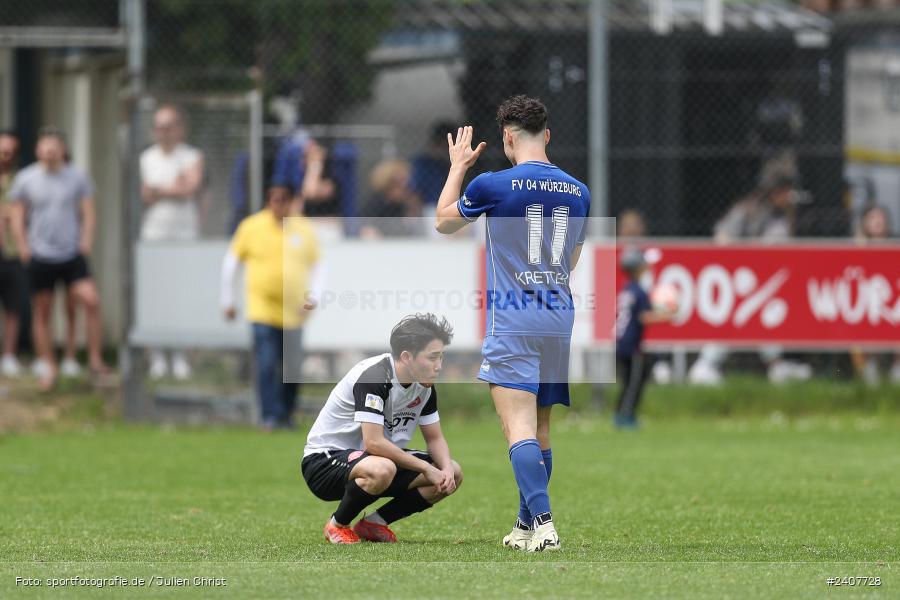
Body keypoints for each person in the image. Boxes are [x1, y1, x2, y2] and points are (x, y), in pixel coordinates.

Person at [434, 95, 591, 552]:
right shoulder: (578, 191)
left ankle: (544, 524)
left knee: (516, 426)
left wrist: (457, 166)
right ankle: (526, 526)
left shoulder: (493, 184)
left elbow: (443, 222)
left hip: (514, 318)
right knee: (539, 428)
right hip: (558, 317)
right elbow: (572, 259)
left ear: (507, 138)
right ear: (547, 135)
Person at [302, 313, 462, 544]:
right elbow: (374, 443)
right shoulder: (375, 377)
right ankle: (337, 525)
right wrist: (426, 469)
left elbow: (435, 438)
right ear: (407, 357)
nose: (439, 366)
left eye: (441, 357)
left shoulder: (424, 386)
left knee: (454, 472)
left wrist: (444, 469)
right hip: (323, 462)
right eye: (432, 357)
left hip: (374, 459)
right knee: (382, 468)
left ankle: (373, 524)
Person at [688, 164, 812, 385]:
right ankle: (706, 365)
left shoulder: (785, 216)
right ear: (774, 191)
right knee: (735, 318)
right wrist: (744, 252)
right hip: (737, 278)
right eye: (785, 191)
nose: (788, 196)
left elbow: (781, 249)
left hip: (767, 281)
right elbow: (721, 236)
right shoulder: (748, 210)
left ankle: (776, 366)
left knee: (763, 320)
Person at [8, 127, 109, 390]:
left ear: (63, 150)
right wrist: (23, 246)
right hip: (40, 254)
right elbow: (17, 215)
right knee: (43, 312)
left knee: (91, 300)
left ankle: (96, 360)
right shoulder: (25, 179)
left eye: (55, 146)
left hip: (71, 254)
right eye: (45, 146)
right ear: (38, 149)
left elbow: (88, 211)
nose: (50, 151)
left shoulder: (78, 177)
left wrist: (86, 242)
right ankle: (49, 367)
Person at [221, 186, 323, 430]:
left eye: (284, 200)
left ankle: (287, 414)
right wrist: (228, 299)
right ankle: (269, 416)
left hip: (294, 312)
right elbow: (231, 262)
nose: (278, 205)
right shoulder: (251, 227)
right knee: (266, 363)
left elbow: (318, 266)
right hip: (262, 308)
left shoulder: (303, 228)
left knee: (293, 367)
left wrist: (315, 297)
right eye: (274, 200)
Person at [140, 104, 206, 380]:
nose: (163, 133)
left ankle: (179, 356)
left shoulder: (192, 155)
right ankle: (157, 357)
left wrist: (164, 189)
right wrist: (174, 188)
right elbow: (146, 194)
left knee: (181, 296)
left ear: (179, 128)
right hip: (155, 234)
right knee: (156, 295)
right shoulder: (147, 157)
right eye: (158, 127)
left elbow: (191, 188)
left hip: (184, 235)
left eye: (168, 127)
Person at [614, 248, 674, 428]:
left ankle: (622, 414)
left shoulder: (628, 289)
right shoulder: (639, 291)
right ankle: (625, 416)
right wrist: (667, 316)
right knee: (634, 382)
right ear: (639, 268)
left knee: (628, 382)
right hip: (632, 346)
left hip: (621, 343)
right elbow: (643, 316)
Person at [850, 204, 900, 385]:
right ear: (864, 223)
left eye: (881, 218)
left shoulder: (896, 248)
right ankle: (869, 374)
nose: (877, 222)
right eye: (872, 218)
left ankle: (897, 371)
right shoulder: (856, 250)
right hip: (866, 307)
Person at [0, 130, 25, 377]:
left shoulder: (20, 180)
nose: (5, 155)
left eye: (10, 151)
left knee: (13, 306)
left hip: (12, 251)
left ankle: (9, 355)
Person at [359, 159, 422, 238]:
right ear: (389, 184)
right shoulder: (375, 204)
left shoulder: (403, 204)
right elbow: (366, 230)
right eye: (400, 184)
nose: (405, 186)